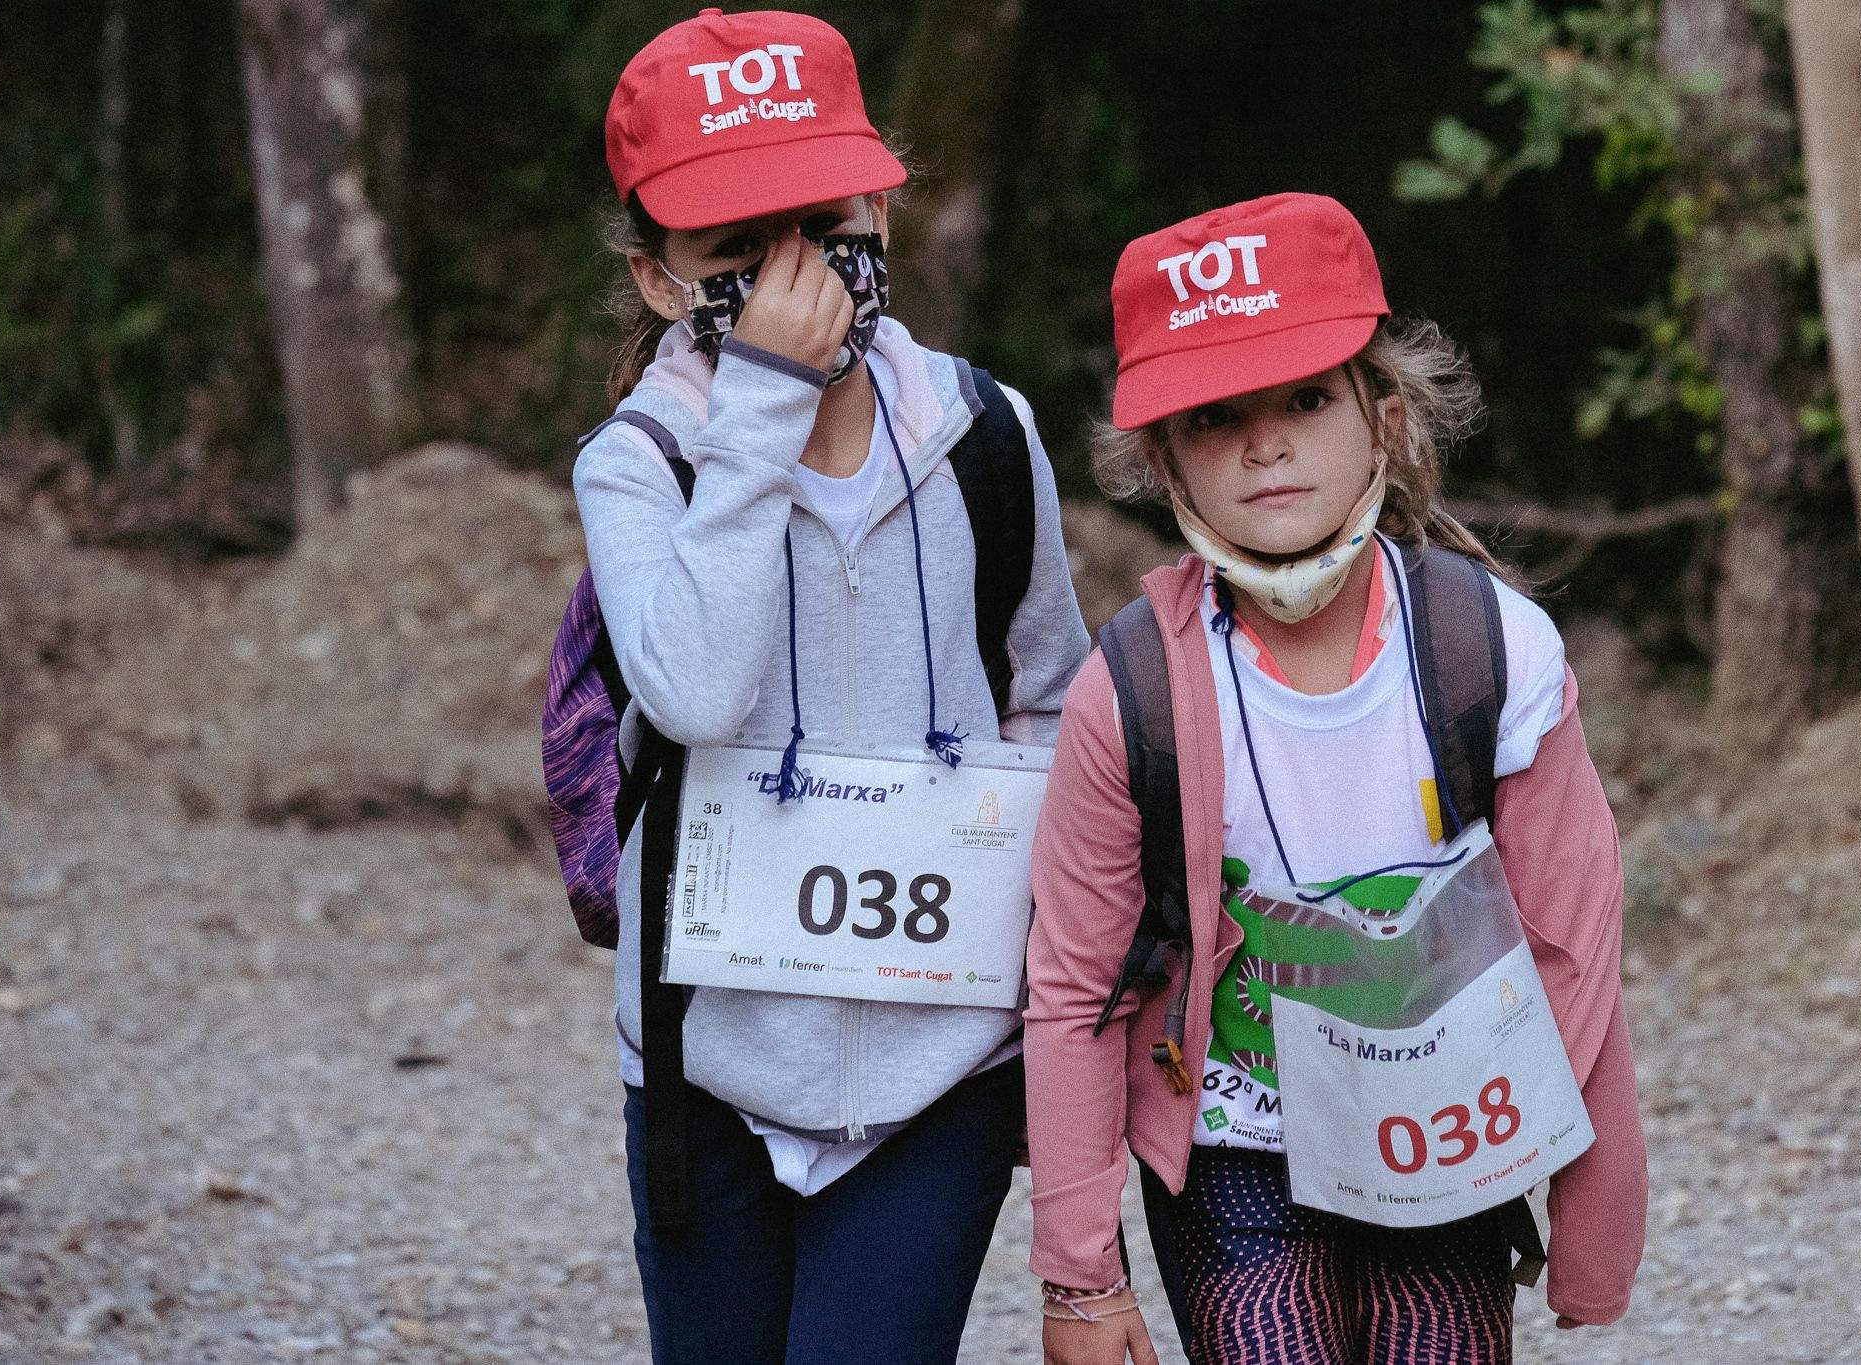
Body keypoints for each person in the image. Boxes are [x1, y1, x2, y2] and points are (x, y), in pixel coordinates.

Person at [1022, 193, 1646, 1364]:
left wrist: (1591, 1218)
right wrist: (1077, 1280)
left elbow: (1572, 943)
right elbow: (1071, 985)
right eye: (1215, 416)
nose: (1266, 444)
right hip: (1230, 1138)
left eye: (1307, 399)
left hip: (1445, 1131)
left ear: (1385, 418)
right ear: (1161, 459)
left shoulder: (1491, 649)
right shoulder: (1131, 688)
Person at [573, 10, 1088, 1362]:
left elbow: (1051, 693)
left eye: (826, 225)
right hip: (708, 1065)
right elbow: (688, 689)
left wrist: (1042, 972)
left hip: (943, 1066)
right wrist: (757, 410)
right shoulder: (642, 464)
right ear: (659, 277)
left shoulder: (987, 430)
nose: (800, 279)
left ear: (883, 203)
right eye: (740, 253)